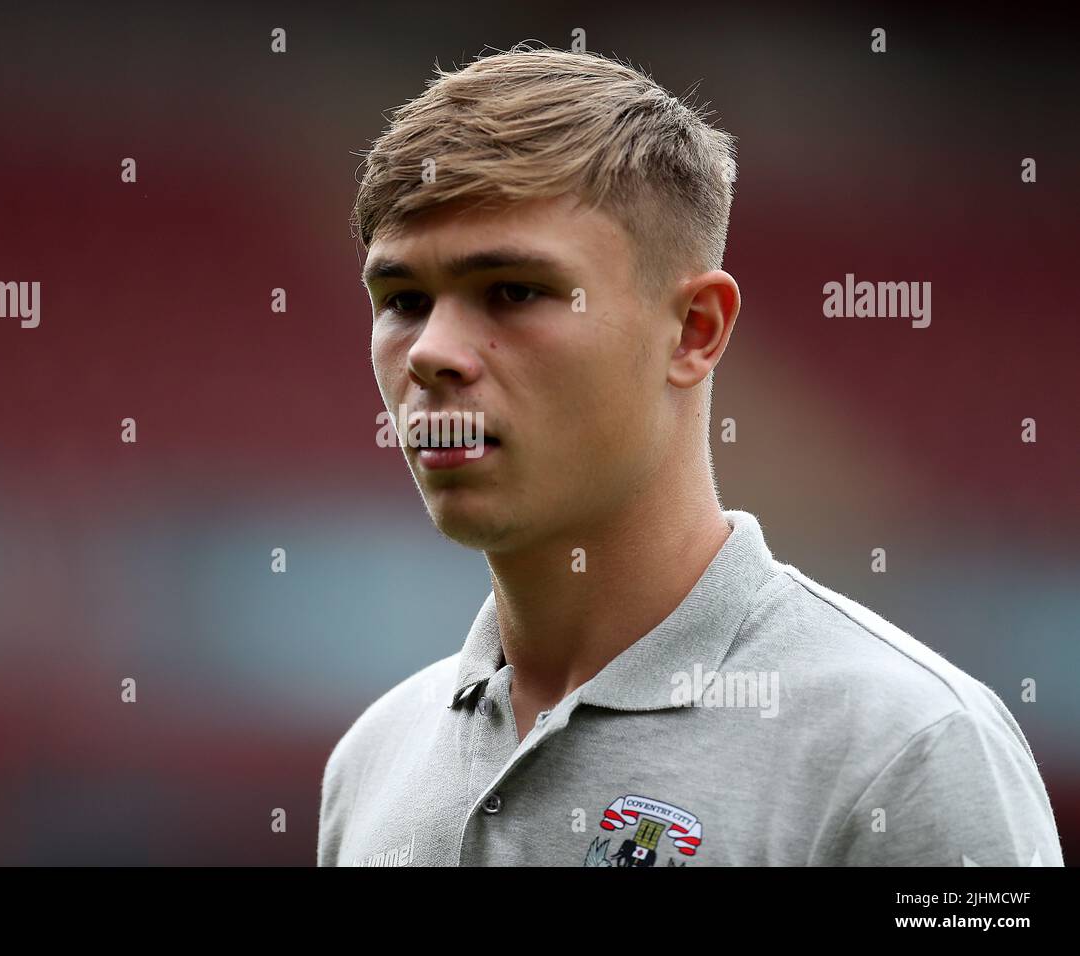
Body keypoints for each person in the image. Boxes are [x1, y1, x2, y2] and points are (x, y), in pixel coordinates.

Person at [317, 43, 1064, 866]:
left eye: (515, 291)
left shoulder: (909, 750)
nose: (432, 352)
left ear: (694, 330)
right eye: (403, 301)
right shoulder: (371, 761)